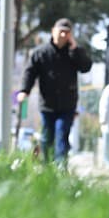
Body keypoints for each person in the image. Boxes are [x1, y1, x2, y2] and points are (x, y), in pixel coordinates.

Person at [17, 17, 93, 166]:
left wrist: (75, 49)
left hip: (67, 105)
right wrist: (25, 90)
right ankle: (47, 167)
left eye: (67, 32)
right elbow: (30, 72)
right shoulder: (41, 53)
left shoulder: (74, 53)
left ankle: (61, 169)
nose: (64, 35)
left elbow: (86, 67)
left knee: (62, 135)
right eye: (61, 31)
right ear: (53, 31)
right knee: (47, 137)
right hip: (47, 104)